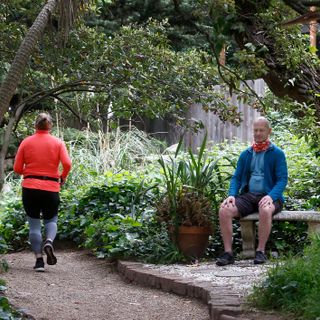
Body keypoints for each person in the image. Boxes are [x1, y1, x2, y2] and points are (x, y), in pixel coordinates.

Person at [216, 116, 288, 266]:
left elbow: (282, 179)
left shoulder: (277, 153)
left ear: (269, 131)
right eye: (255, 130)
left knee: (266, 209)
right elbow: (236, 178)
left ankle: (260, 251)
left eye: (261, 130)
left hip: (271, 196)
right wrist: (231, 195)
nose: (258, 133)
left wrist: (271, 196)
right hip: (249, 196)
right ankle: (228, 253)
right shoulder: (246, 154)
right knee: (224, 210)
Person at [13, 113, 72, 272]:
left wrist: (31, 172)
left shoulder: (26, 142)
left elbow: (17, 169)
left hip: (30, 188)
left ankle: (39, 261)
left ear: (35, 126)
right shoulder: (58, 143)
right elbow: (67, 163)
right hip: (51, 188)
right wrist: (62, 177)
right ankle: (49, 242)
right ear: (50, 126)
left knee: (34, 225)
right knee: (51, 221)